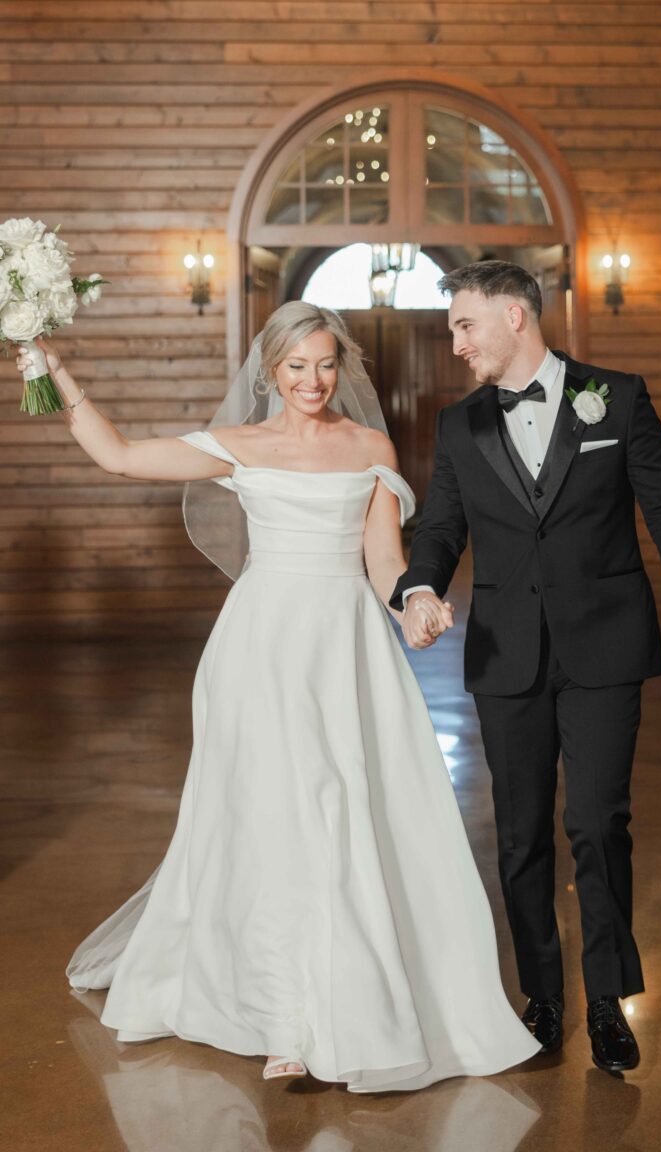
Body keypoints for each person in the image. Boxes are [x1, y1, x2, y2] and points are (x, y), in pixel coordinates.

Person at [15, 301, 540, 1092]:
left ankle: (325, 1001)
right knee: (272, 816)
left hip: (345, 651)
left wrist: (418, 605)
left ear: (343, 368)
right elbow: (119, 457)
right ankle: (281, 1019)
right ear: (270, 371)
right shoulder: (239, 446)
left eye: (326, 364)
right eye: (297, 367)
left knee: (337, 808)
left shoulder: (369, 447)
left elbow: (387, 564)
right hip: (259, 651)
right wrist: (53, 368)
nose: (313, 380)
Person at [391, 262, 661, 1074]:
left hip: (607, 644)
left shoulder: (618, 397)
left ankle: (608, 1000)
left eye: (466, 327)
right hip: (508, 653)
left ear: (514, 316)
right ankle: (541, 996)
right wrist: (421, 582)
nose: (458, 344)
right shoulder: (461, 423)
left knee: (600, 822)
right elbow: (440, 524)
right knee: (520, 833)